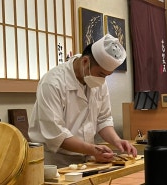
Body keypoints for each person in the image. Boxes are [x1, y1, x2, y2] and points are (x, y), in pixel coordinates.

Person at [28, 34, 137, 168]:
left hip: (86, 159)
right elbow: (56, 135)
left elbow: (103, 120)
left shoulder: (99, 82)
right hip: (54, 161)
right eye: (101, 74)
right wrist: (92, 149)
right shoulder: (52, 83)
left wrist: (117, 141)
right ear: (85, 61)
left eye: (107, 76)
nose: (103, 80)